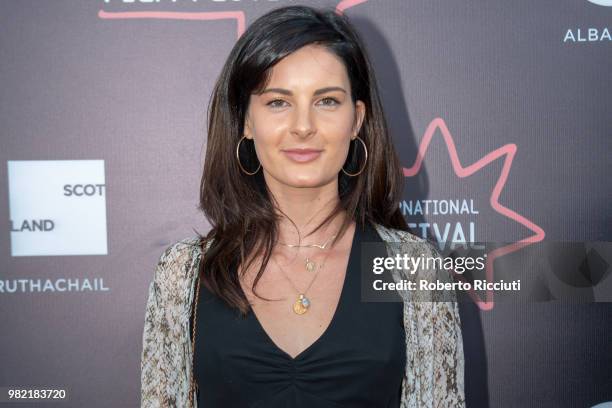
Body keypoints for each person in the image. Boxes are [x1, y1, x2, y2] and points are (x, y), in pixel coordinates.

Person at [140, 5, 464, 407]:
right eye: (278, 102)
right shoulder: (184, 274)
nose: (303, 125)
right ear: (245, 121)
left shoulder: (413, 269)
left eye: (326, 101)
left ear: (356, 119)